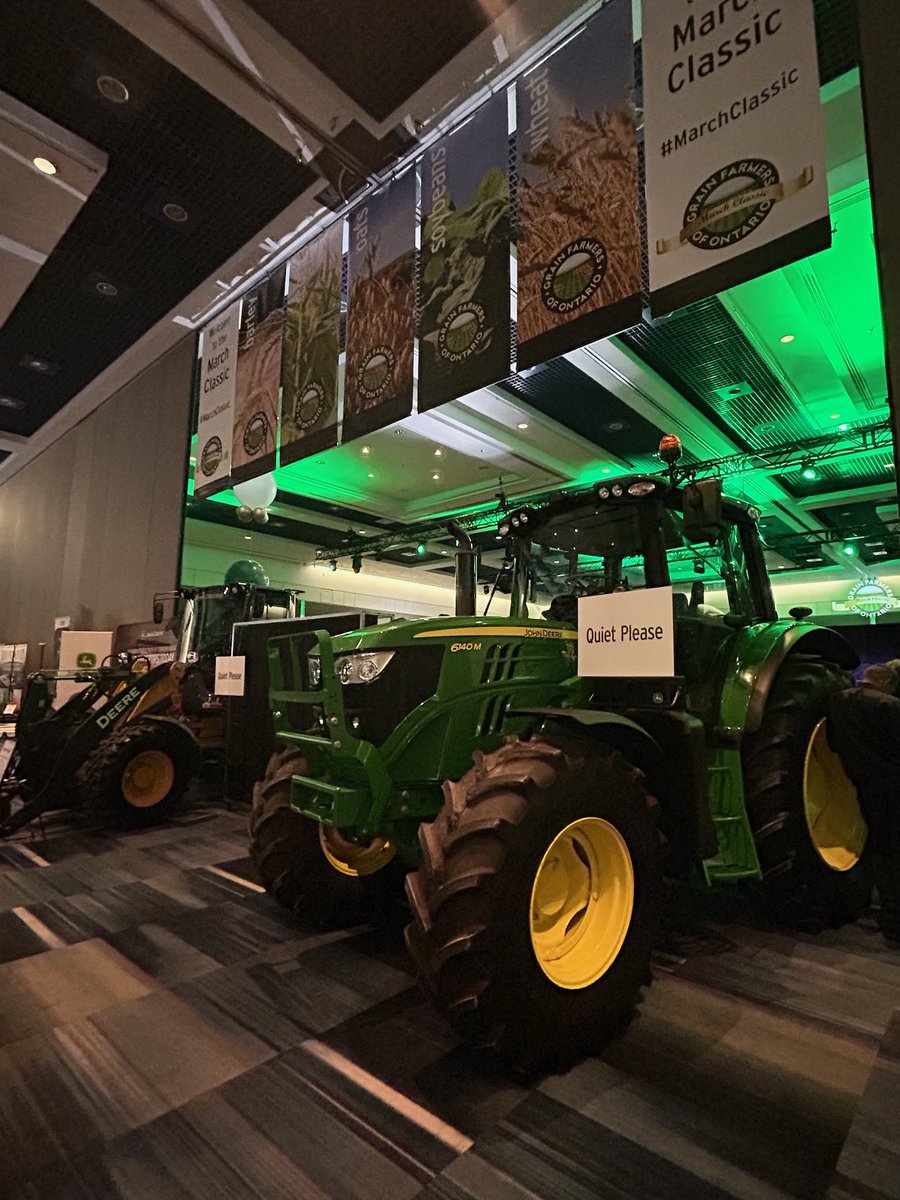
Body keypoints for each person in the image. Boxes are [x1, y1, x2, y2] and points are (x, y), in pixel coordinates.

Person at [828, 660, 900, 946]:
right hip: (892, 787)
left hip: (858, 786)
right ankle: (895, 921)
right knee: (893, 854)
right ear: (888, 685)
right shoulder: (891, 707)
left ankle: (877, 910)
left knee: (873, 848)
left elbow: (833, 743)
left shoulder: (837, 702)